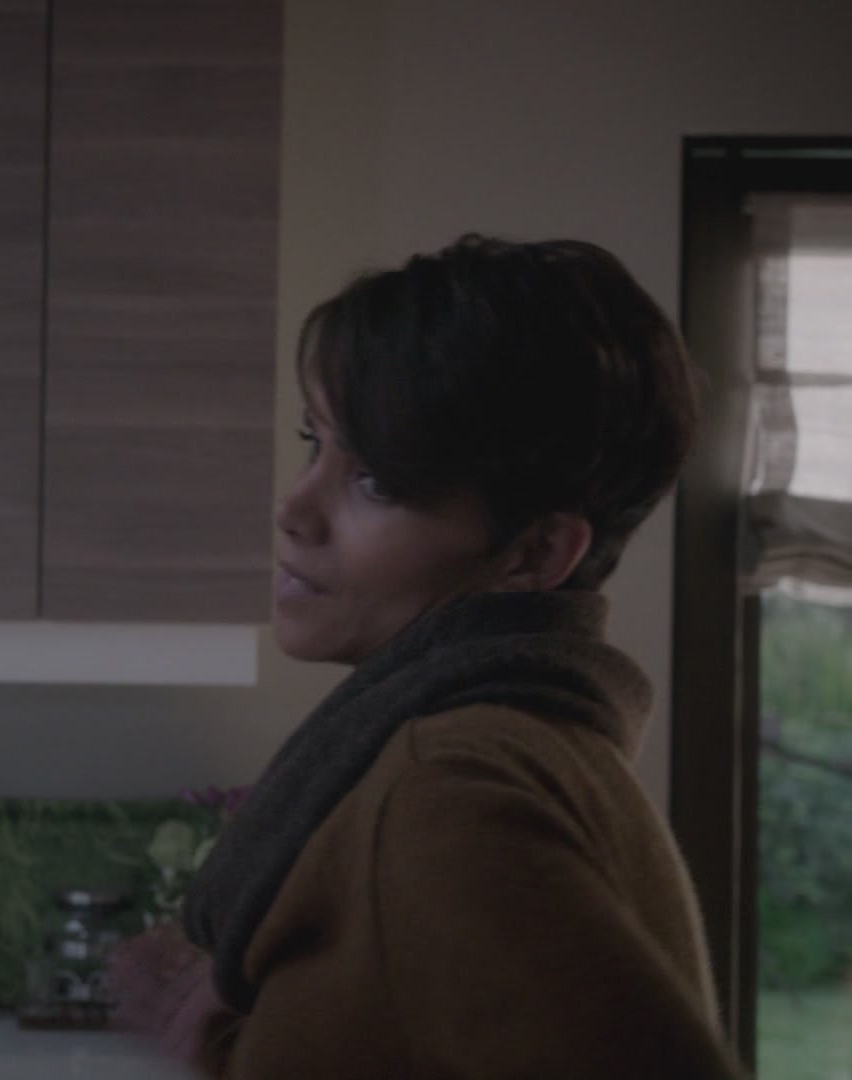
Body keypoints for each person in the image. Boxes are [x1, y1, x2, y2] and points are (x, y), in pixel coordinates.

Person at [120, 235, 745, 1077]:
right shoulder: (522, 741)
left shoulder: (451, 785)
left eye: (377, 481)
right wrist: (219, 1039)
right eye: (315, 442)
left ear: (534, 552)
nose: (294, 508)